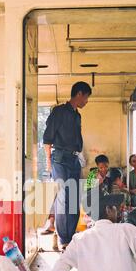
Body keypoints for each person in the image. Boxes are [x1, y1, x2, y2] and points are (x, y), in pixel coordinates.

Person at [43, 81, 92, 250]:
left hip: (74, 160)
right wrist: (49, 163)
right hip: (59, 159)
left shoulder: (77, 115)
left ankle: (70, 238)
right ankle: (64, 238)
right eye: (86, 98)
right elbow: (47, 139)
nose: (86, 102)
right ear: (79, 94)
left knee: (74, 199)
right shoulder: (59, 112)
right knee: (64, 197)